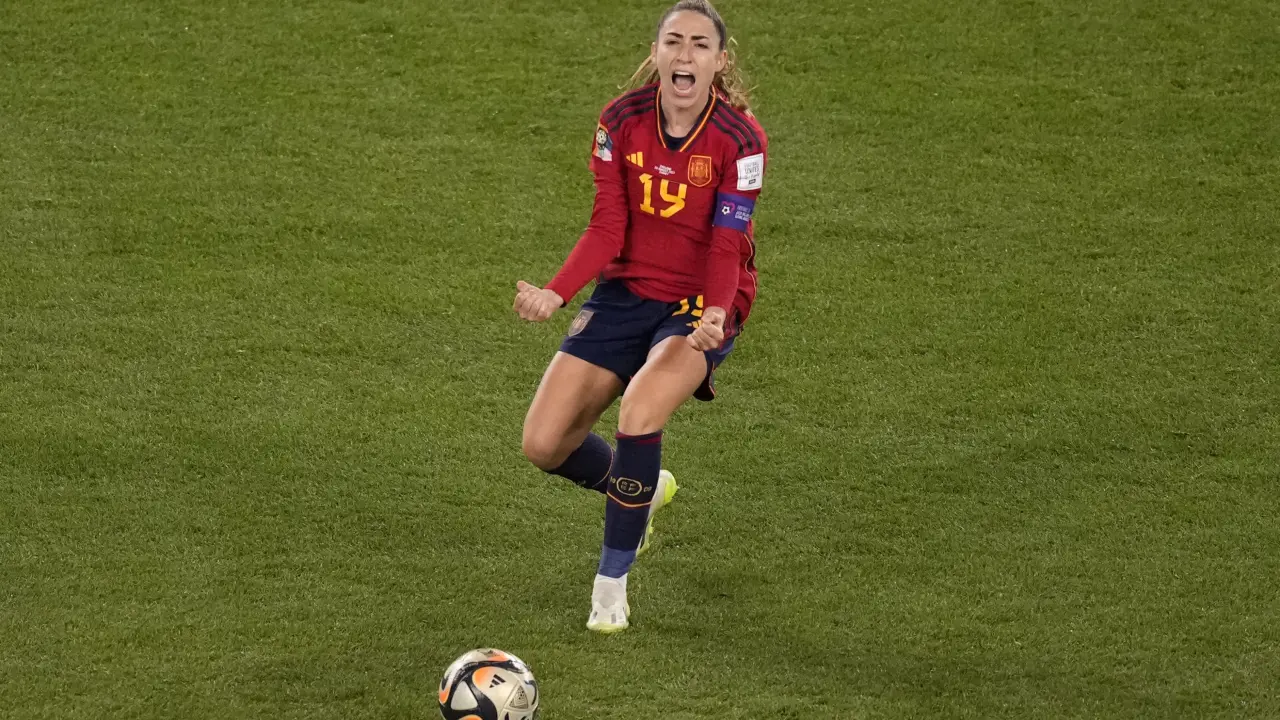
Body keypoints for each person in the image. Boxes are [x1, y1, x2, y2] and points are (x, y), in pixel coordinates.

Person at [512, 0, 767, 634]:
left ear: (719, 61)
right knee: (543, 444)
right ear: (655, 53)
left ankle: (610, 586)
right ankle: (641, 491)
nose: (685, 54)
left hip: (698, 301)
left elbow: (727, 244)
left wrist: (715, 313)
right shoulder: (619, 120)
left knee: (640, 409)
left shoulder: (740, 139)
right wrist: (556, 293)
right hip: (625, 293)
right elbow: (608, 226)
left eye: (700, 44)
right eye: (674, 41)